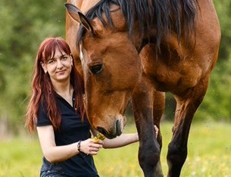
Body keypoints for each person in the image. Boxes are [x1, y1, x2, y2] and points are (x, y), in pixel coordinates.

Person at [25, 37, 158, 177]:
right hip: (57, 174)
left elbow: (104, 140)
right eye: (52, 61)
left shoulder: (84, 97)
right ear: (44, 67)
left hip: (87, 173)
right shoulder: (43, 103)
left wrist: (141, 135)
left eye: (63, 58)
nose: (60, 65)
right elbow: (49, 153)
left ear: (71, 60)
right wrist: (80, 146)